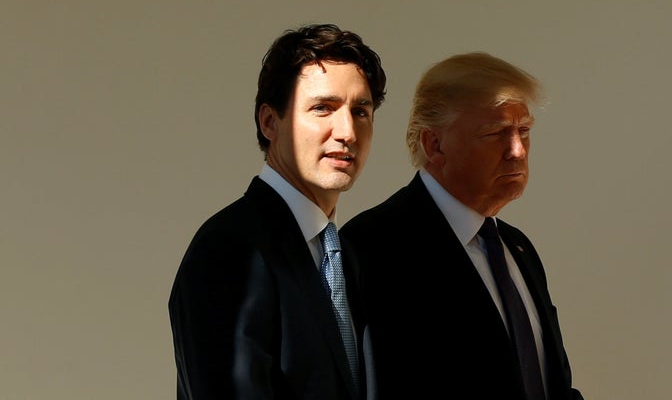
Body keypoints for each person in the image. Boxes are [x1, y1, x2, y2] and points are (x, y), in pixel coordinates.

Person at [340, 52, 583, 400]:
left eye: (524, 130)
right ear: (434, 144)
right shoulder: (374, 246)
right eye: (496, 133)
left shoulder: (517, 248)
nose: (517, 150)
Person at [168, 23, 387, 400]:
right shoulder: (230, 250)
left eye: (361, 111)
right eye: (323, 108)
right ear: (270, 122)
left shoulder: (344, 255)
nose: (347, 131)